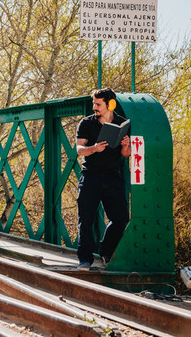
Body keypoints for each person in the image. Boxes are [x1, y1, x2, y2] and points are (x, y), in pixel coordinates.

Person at [75, 88, 131, 271]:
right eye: (94, 103)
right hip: (90, 175)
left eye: (98, 104)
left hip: (113, 176)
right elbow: (79, 150)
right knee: (86, 218)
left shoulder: (122, 124)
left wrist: (125, 146)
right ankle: (85, 259)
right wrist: (94, 149)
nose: (94, 107)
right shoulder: (86, 123)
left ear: (110, 104)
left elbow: (125, 155)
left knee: (121, 218)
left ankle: (105, 250)